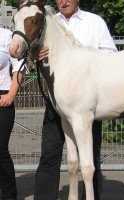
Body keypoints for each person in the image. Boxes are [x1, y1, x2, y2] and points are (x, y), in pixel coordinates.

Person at [34, 0, 117, 199]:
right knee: (49, 154)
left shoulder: (94, 22)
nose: (63, 1)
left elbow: (111, 55)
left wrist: (84, 57)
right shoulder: (48, 22)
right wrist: (35, 54)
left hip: (87, 102)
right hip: (58, 101)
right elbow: (33, 51)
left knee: (91, 155)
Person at [0, 27, 26, 200]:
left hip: (2, 98)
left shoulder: (7, 35)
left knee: (0, 149)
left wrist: (11, 94)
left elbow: (19, 66)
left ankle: (9, 195)